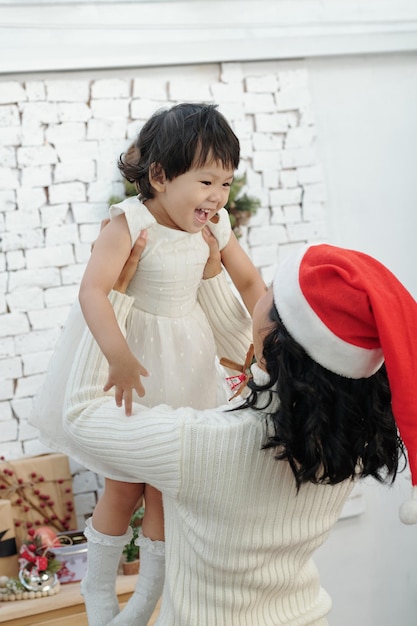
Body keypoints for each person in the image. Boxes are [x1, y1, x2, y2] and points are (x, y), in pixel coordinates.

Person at [61, 240, 417, 625]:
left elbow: (81, 413)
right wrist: (212, 273)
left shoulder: (202, 444)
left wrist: (109, 294)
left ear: (276, 335)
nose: (260, 294)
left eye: (271, 291)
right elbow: (260, 370)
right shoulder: (346, 442)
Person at [31, 102, 266, 626]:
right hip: (133, 359)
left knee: (167, 491)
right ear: (159, 176)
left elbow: (250, 283)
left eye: (226, 184)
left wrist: (265, 336)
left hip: (186, 364)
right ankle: (98, 592)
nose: (218, 197)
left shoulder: (216, 226)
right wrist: (117, 355)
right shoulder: (128, 221)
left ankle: (143, 601)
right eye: (207, 181)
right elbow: (94, 291)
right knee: (123, 483)